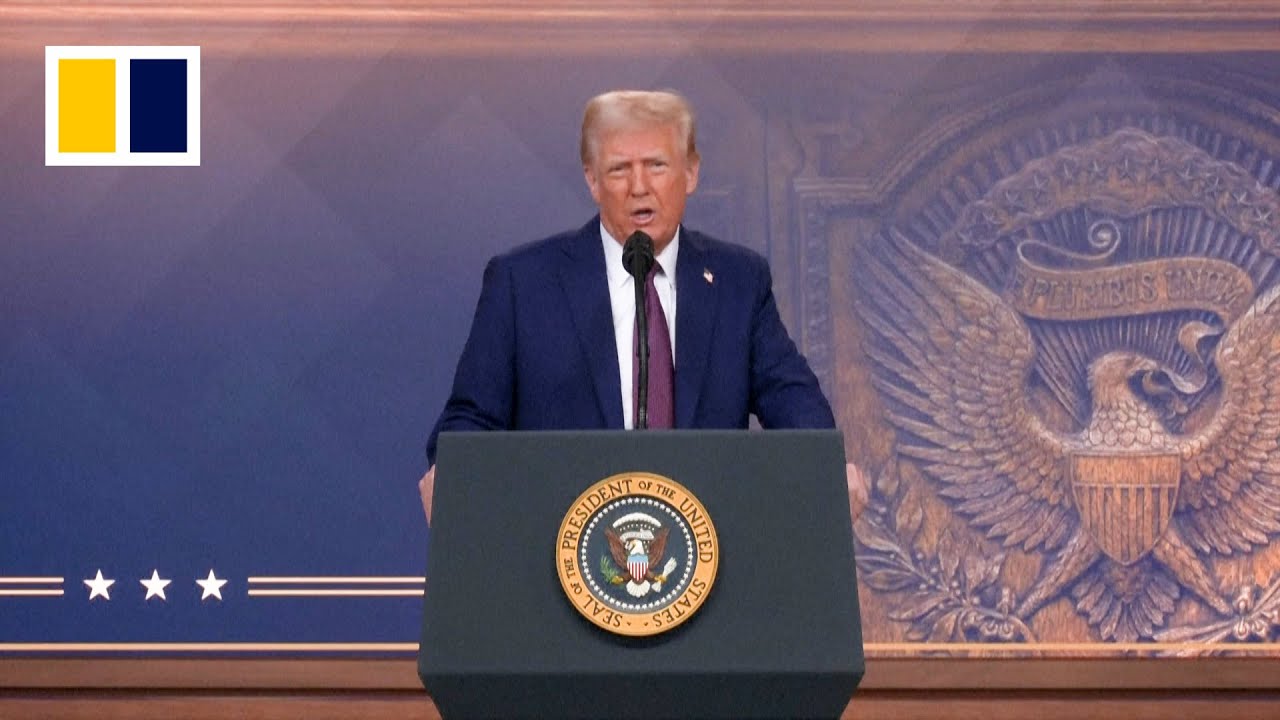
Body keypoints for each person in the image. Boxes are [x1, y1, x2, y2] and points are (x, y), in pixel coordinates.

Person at [419, 89, 868, 523]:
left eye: (656, 165)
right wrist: (454, 472)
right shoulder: (524, 283)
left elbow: (792, 400)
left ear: (691, 173)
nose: (639, 187)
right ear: (592, 180)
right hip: (558, 542)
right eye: (619, 169)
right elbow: (469, 419)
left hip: (707, 546)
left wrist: (825, 465)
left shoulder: (738, 282)